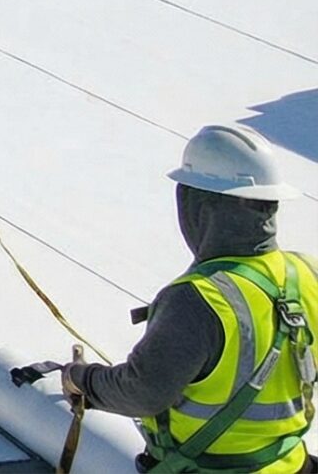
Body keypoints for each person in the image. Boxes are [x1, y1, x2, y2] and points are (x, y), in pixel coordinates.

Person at [56, 126, 313, 474]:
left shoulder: (198, 300)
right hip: (291, 466)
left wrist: (82, 380)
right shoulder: (306, 273)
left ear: (198, 205)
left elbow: (143, 392)